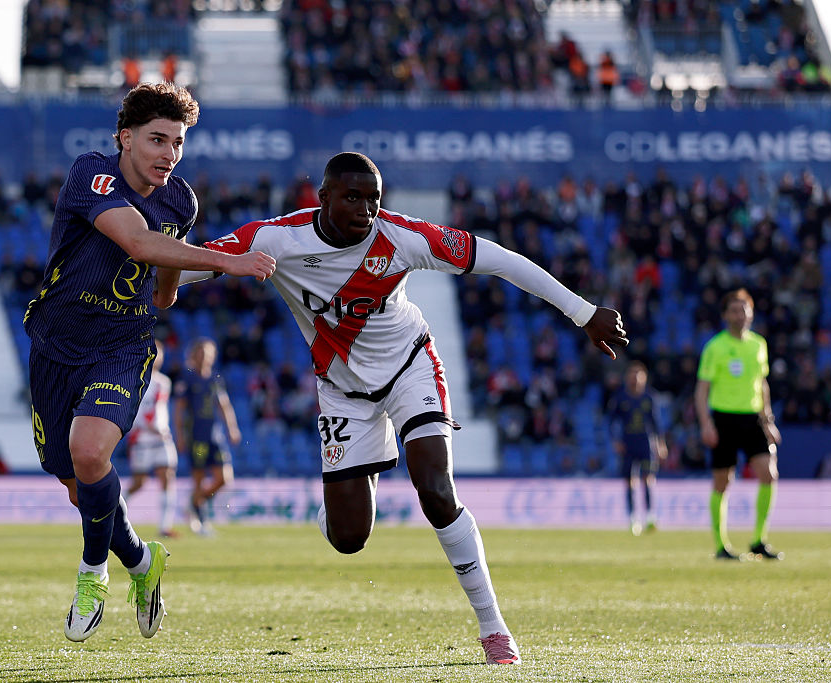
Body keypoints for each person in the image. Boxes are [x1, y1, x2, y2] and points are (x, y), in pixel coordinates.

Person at [171, 152, 628, 665]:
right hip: (342, 390)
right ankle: (338, 497)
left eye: (374, 198)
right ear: (322, 198)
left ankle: (493, 627)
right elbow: (196, 264)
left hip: (410, 367)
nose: (366, 209)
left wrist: (583, 311)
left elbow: (497, 258)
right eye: (352, 197)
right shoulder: (278, 239)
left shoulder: (401, 237)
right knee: (348, 540)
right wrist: (132, 292)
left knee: (434, 487)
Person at [23, 82, 275, 643]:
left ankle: (93, 575)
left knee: (90, 454)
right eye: (157, 140)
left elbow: (163, 286)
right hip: (54, 346)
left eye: (178, 144)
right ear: (125, 137)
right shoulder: (92, 174)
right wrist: (227, 262)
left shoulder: (180, 201)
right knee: (81, 484)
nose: (168, 154)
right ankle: (141, 560)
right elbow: (137, 242)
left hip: (122, 346)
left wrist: (169, 287)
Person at [695, 288, 782, 561]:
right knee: (723, 481)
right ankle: (722, 546)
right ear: (725, 315)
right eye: (734, 309)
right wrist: (706, 423)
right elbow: (701, 390)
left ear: (751, 313)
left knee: (769, 474)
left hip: (753, 417)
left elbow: (762, 384)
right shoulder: (715, 347)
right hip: (724, 418)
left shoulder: (759, 345)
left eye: (743, 309)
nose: (739, 314)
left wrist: (768, 420)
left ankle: (759, 540)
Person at [172, 337, 241, 535]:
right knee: (199, 479)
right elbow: (179, 410)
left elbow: (224, 406)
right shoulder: (187, 378)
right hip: (196, 437)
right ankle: (201, 521)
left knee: (224, 479)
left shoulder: (215, 379)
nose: (204, 357)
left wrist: (232, 429)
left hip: (215, 436)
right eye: (201, 353)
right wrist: (180, 436)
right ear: (194, 355)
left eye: (208, 353)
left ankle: (193, 504)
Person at [125, 340, 179, 538]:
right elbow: (135, 412)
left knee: (167, 478)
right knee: (139, 483)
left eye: (160, 354)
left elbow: (158, 409)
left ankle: (165, 526)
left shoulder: (163, 382)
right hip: (141, 439)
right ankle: (112, 512)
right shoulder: (133, 380)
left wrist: (158, 428)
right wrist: (150, 427)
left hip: (161, 438)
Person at [606, 361, 666, 536]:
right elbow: (610, 422)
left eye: (639, 375)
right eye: (632, 375)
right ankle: (633, 519)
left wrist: (660, 444)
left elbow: (656, 423)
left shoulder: (649, 398)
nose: (635, 379)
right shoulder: (619, 398)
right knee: (629, 482)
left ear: (644, 378)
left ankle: (650, 517)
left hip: (645, 444)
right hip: (627, 444)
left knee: (648, 480)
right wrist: (615, 440)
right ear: (627, 378)